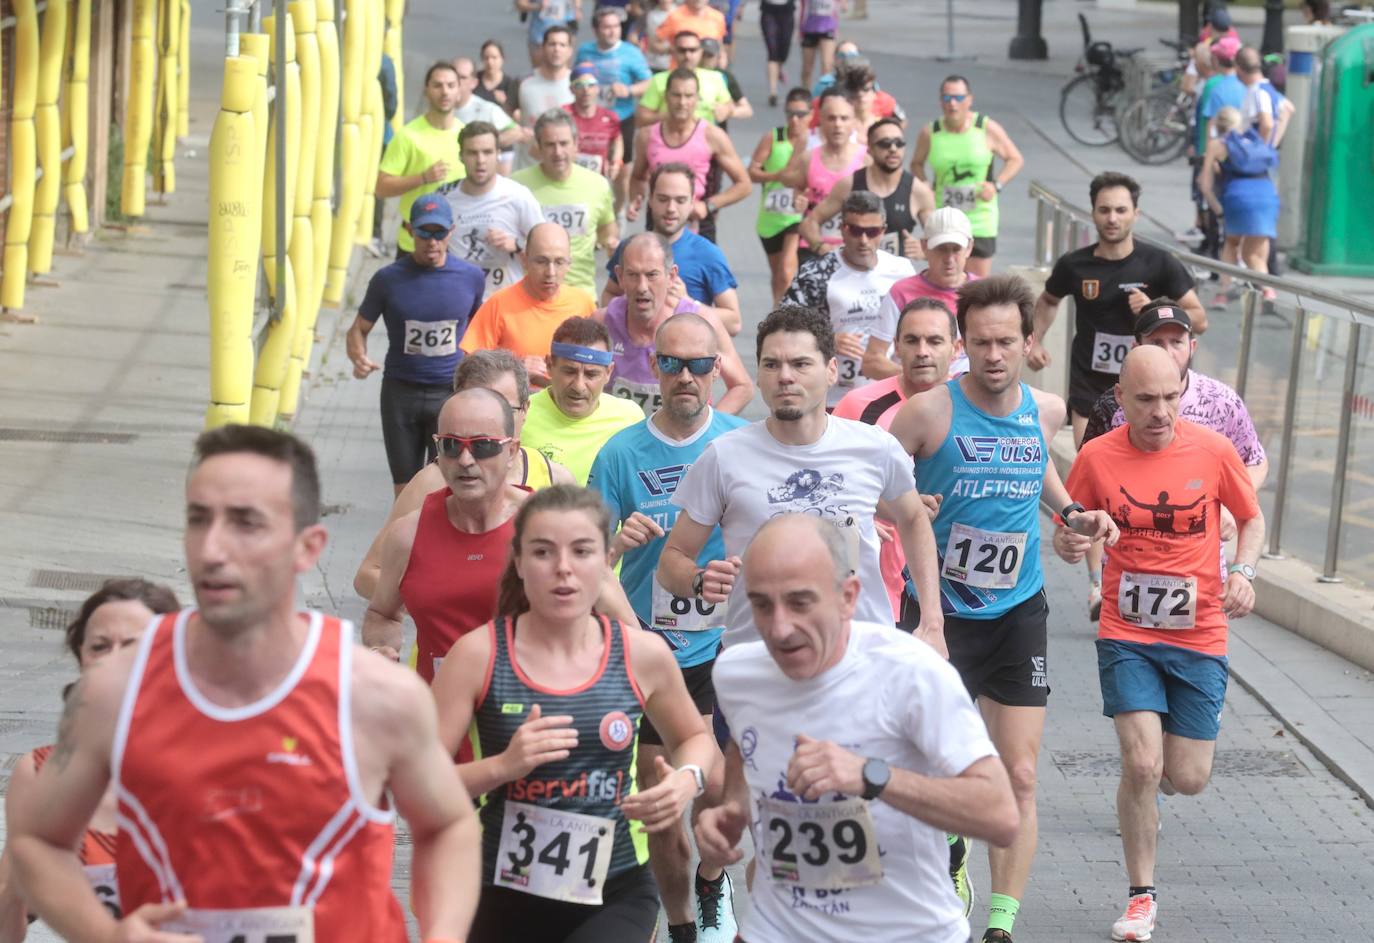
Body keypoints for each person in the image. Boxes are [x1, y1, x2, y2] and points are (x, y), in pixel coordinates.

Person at [9, 425, 482, 941]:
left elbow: (448, 826)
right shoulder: (115, 691)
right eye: (198, 520)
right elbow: (37, 842)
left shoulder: (373, 694)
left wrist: (443, 934)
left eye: (245, 523)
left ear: (307, 548)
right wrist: (105, 934)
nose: (213, 549)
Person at [888, 275, 1118, 943]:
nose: (994, 355)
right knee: (934, 767)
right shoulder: (927, 412)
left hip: (1020, 613)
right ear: (964, 344)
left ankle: (1000, 925)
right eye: (981, 343)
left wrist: (1072, 513)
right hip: (938, 616)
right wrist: (904, 508)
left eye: (1006, 343)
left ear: (1028, 342)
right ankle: (944, 865)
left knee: (1018, 769)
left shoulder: (1044, 410)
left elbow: (1039, 467)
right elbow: (874, 488)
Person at [695, 513, 1019, 943]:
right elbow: (744, 743)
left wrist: (870, 776)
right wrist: (733, 812)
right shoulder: (739, 673)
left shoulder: (911, 673)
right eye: (761, 604)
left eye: (800, 602)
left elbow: (1000, 815)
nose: (779, 627)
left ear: (848, 597)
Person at [430, 484, 718, 942]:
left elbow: (695, 739)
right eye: (543, 552)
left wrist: (686, 781)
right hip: (495, 886)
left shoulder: (641, 654)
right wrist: (504, 766)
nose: (563, 568)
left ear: (606, 560)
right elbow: (421, 781)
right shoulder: (478, 654)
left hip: (615, 888)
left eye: (582, 551)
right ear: (520, 563)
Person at [1056, 346, 1264, 943]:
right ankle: (1140, 897)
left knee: (1187, 776)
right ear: (1120, 399)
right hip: (1127, 631)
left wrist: (1243, 573)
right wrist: (1074, 545)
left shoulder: (1213, 450)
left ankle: (1162, 781)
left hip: (1199, 630)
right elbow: (1072, 524)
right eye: (1145, 400)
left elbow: (1251, 518)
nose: (1160, 413)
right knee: (1141, 764)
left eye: (1171, 398)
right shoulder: (1097, 456)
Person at [588, 314, 750, 943]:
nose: (687, 377)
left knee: (716, 797)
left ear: (717, 370)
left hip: (725, 645)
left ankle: (712, 880)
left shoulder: (741, 444)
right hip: (649, 649)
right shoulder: (621, 454)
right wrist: (615, 548)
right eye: (673, 365)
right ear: (652, 368)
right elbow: (583, 568)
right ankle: (682, 922)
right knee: (662, 799)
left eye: (700, 365)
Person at [657, 304, 945, 649]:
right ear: (759, 374)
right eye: (771, 364)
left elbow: (913, 518)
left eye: (800, 363)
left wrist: (932, 621)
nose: (785, 376)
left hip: (860, 659)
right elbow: (671, 561)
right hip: (761, 661)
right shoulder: (724, 456)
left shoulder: (875, 447)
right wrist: (698, 579)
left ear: (831, 371)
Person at [361, 388, 634, 690]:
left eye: (483, 446)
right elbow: (381, 614)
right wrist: (380, 651)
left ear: (512, 451)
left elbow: (628, 632)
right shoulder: (408, 534)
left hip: (531, 726)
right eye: (451, 445)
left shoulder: (552, 530)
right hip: (440, 728)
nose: (465, 459)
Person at [0, 579, 180, 938]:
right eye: (100, 646)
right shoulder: (40, 775)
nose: (114, 660)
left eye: (132, 646)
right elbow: (9, 914)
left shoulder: (216, 764)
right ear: (81, 656)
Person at [354, 351, 577, 602]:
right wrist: (435, 604)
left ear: (525, 409)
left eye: (503, 407)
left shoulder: (555, 480)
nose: (488, 419)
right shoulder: (433, 481)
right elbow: (368, 575)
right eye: (475, 406)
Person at [1031, 172, 1206, 444]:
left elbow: (1199, 319)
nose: (1112, 218)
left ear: (1135, 214)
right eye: (1104, 210)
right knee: (1089, 462)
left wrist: (1152, 310)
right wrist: (1036, 341)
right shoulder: (1074, 264)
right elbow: (1048, 300)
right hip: (1090, 386)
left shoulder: (1159, 263)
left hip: (1149, 387)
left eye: (1121, 210)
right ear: (1093, 213)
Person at [347, 195, 485, 495]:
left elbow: (480, 330)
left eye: (439, 233)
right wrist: (358, 356)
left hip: (448, 394)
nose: (432, 242)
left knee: (444, 485)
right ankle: (407, 541)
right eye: (424, 232)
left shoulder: (471, 278)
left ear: (452, 231)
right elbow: (358, 328)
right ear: (410, 230)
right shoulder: (387, 279)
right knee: (405, 489)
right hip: (400, 394)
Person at [833, 297, 962, 617]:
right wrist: (855, 512)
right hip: (877, 584)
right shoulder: (858, 405)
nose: (922, 351)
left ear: (956, 349)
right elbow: (827, 475)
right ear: (895, 347)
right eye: (911, 340)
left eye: (934, 341)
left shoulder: (973, 408)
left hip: (959, 587)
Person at [1081, 298, 1268, 488]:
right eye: (1157, 343)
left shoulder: (1223, 402)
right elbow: (1088, 472)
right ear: (1137, 348)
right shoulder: (1111, 406)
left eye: (1177, 342)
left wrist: (1233, 506)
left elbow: (1255, 461)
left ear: (1192, 347)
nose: (1168, 353)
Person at [782, 191, 916, 408]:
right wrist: (826, 340)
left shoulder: (902, 270)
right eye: (855, 230)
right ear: (843, 229)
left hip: (893, 396)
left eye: (872, 232)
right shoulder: (817, 273)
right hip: (836, 401)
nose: (864, 240)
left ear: (883, 230)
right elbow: (781, 329)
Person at [595, 232, 753, 414]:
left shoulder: (701, 322)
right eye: (633, 275)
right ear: (620, 277)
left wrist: (708, 433)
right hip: (624, 441)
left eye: (652, 275)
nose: (642, 286)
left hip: (680, 440)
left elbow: (742, 387)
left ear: (671, 276)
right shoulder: (602, 322)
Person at [602, 163, 742, 335]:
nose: (671, 209)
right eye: (663, 199)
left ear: (692, 203)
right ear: (651, 200)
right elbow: (609, 294)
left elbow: (734, 322)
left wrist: (689, 305)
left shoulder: (708, 254)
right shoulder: (631, 248)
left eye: (680, 200)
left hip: (684, 357)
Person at [910, 75, 1024, 277]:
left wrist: (996, 185)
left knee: (976, 285)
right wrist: (925, 184)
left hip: (979, 217)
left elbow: (1015, 159)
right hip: (944, 217)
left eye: (958, 98)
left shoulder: (985, 128)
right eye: (947, 98)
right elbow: (916, 163)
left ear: (969, 99)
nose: (952, 104)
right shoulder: (931, 132)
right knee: (945, 278)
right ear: (940, 101)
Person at [627, 68, 752, 244]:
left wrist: (709, 205)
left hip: (698, 224)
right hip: (658, 223)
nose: (682, 102)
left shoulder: (712, 135)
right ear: (666, 97)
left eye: (688, 96)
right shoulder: (647, 136)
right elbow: (638, 177)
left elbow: (744, 185)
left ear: (697, 98)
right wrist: (635, 199)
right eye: (676, 95)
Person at [460, 222, 595, 385]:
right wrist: (515, 369)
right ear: (525, 260)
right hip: (517, 407)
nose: (550, 273)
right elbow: (468, 370)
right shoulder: (498, 304)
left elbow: (598, 366)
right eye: (541, 261)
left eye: (559, 262)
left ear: (569, 264)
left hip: (568, 406)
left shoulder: (583, 303)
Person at [521, 316, 645, 484]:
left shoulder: (630, 418)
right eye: (569, 371)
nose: (579, 386)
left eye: (591, 374)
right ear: (550, 365)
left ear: (608, 372)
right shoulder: (520, 415)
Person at [513, 110, 620, 294]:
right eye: (550, 145)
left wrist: (611, 244)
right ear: (538, 147)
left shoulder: (597, 184)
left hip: (581, 293)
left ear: (576, 145)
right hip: (532, 295)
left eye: (564, 143)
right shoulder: (516, 186)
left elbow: (607, 231)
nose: (558, 152)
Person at [802, 116, 934, 263]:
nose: (893, 149)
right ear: (869, 149)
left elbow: (939, 241)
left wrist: (924, 253)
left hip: (895, 280)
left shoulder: (919, 192)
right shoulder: (849, 185)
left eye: (899, 143)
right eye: (884, 144)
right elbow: (809, 223)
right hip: (853, 277)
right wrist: (822, 248)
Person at [441, 121, 546, 298]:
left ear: (498, 154)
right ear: (461, 156)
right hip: (461, 304)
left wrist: (516, 245)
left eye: (487, 152)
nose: (480, 160)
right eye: (473, 153)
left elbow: (545, 247)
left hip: (507, 305)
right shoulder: (446, 198)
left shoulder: (518, 195)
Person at [872, 206, 977, 379]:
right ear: (924, 246)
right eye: (941, 249)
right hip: (915, 395)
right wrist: (924, 376)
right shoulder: (901, 292)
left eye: (956, 249)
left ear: (969, 247)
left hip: (968, 398)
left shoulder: (984, 294)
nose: (949, 259)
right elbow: (873, 362)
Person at [377, 61, 467, 259]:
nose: (444, 92)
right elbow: (382, 187)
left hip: (457, 246)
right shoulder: (408, 136)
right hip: (414, 245)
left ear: (459, 91)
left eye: (451, 86)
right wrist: (422, 178)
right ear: (426, 91)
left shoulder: (466, 135)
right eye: (437, 85)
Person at [1200, 106, 1280, 308]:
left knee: (1232, 243)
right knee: (1254, 253)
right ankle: (1268, 291)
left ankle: (1223, 293)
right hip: (1267, 196)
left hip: (1238, 197)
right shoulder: (1254, 141)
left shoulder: (1217, 144)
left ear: (1217, 126)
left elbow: (1204, 184)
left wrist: (1218, 209)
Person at [575, 6, 653, 206]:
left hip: (621, 117)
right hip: (590, 117)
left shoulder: (631, 52)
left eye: (616, 26)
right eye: (606, 27)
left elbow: (649, 83)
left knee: (621, 171)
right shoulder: (585, 51)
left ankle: (617, 211)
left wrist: (629, 90)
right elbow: (576, 78)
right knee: (589, 166)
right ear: (596, 30)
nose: (612, 31)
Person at [778, 90, 867, 256]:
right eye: (831, 118)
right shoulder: (809, 158)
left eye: (844, 118)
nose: (838, 124)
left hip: (854, 247)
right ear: (821, 122)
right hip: (813, 245)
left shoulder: (866, 159)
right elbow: (793, 183)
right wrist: (798, 198)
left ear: (854, 122)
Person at [749, 87, 811, 303]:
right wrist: (778, 175)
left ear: (811, 114)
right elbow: (752, 173)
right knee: (778, 275)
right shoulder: (774, 137)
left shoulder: (814, 142)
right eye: (790, 114)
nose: (795, 120)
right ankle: (777, 311)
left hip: (797, 217)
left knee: (787, 271)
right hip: (771, 217)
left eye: (801, 114)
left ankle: (787, 314)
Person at [634, 30, 737, 127]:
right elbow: (641, 118)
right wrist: (669, 115)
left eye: (693, 50)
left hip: (704, 140)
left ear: (701, 52)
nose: (687, 55)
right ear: (673, 52)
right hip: (669, 139)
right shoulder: (658, 80)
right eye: (682, 50)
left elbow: (730, 104)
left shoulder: (715, 78)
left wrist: (726, 109)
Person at [454, 56, 527, 175]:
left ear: (474, 82)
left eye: (462, 77)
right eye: (454, 76)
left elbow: (516, 131)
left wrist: (485, 144)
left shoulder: (487, 109)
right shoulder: (438, 107)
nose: (457, 82)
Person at [520, 25, 577, 151]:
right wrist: (517, 131)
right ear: (543, 48)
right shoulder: (523, 84)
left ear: (570, 51)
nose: (557, 49)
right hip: (528, 166)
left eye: (562, 45)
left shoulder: (578, 85)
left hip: (566, 166)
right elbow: (506, 120)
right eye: (552, 44)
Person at [565, 63, 626, 181]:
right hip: (568, 178)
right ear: (571, 89)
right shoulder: (563, 115)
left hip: (599, 181)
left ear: (598, 88)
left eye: (591, 84)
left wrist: (616, 162)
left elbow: (617, 139)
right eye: (579, 85)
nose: (586, 90)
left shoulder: (610, 117)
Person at [517, 0, 582, 69]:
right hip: (540, 33)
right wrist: (537, 6)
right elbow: (520, 4)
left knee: (563, 69)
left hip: (566, 30)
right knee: (539, 71)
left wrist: (577, 8)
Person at [798, 0, 846, 89]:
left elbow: (843, 6)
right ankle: (806, 95)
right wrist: (800, 30)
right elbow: (803, 8)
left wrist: (843, 4)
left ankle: (824, 93)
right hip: (809, 29)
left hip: (828, 28)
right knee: (807, 69)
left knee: (827, 65)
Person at [759, 0, 796, 107]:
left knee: (784, 51)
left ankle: (778, 69)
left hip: (786, 11)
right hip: (768, 11)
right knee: (772, 52)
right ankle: (773, 92)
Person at [657, 0, 728, 48]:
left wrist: (722, 58)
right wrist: (675, 50)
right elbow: (656, 43)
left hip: (708, 68)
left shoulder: (718, 17)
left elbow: (719, 45)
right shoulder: (674, 16)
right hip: (681, 68)